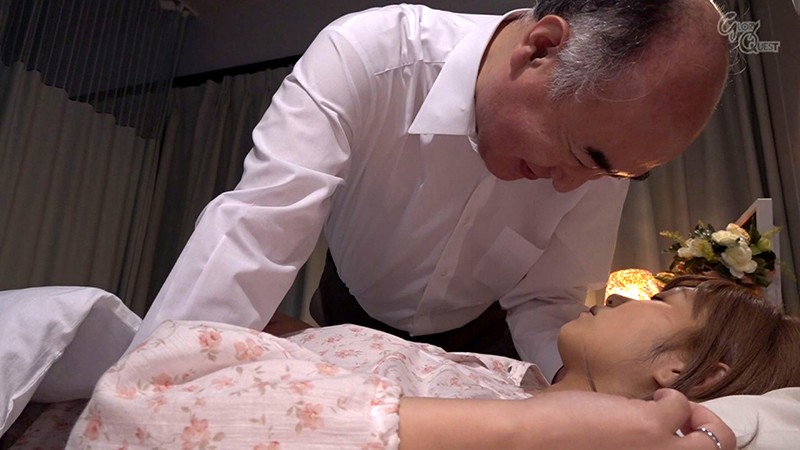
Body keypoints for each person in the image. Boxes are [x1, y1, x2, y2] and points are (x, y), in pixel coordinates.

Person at [131, 0, 731, 387]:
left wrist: (580, 397)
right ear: (542, 48)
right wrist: (150, 387)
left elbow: (548, 301)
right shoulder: (369, 56)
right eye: (583, 155)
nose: (571, 186)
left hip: (488, 336)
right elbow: (258, 229)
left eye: (614, 174)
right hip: (348, 305)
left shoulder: (600, 159)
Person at [72, 276, 800, 448]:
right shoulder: (505, 378)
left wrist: (525, 432)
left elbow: (153, 418)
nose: (622, 291)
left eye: (663, 300)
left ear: (685, 371)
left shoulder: (520, 429)